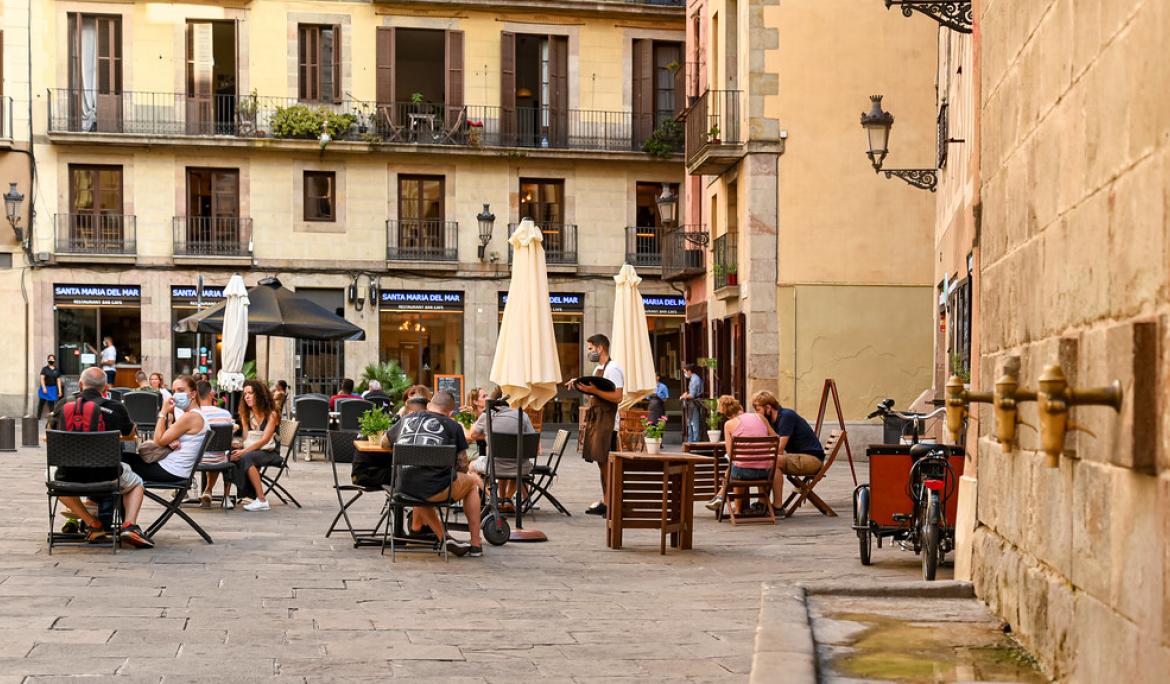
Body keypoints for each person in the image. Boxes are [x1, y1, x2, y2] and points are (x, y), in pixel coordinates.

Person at [49, 366, 153, 548]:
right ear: (106, 389)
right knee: (136, 483)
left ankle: (92, 523)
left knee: (50, 477)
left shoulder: (63, 404)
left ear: (81, 385)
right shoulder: (116, 407)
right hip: (108, 476)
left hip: (68, 476)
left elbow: (50, 433)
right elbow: (130, 434)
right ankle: (129, 525)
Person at [385, 390, 483, 557]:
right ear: (450, 412)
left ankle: (427, 532)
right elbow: (463, 464)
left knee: (421, 485)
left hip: (403, 488)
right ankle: (475, 543)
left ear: (429, 405)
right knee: (472, 482)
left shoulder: (407, 419)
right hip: (434, 488)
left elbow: (384, 443)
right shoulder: (453, 426)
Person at [569, 334, 624, 516]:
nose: (589, 352)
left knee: (607, 465)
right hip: (597, 421)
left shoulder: (613, 369)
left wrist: (594, 391)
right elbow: (594, 390)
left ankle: (612, 503)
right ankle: (607, 501)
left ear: (601, 348)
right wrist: (578, 384)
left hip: (608, 424)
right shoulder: (598, 369)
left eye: (591, 348)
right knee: (601, 464)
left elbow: (617, 397)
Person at [127, 375, 209, 491]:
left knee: (121, 461)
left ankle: (107, 505)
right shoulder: (196, 415)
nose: (176, 395)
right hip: (177, 469)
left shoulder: (190, 417)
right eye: (174, 391)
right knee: (124, 458)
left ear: (193, 394)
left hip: (171, 471)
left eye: (181, 390)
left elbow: (158, 441)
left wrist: (163, 412)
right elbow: (170, 435)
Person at [704, 395, 779, 514]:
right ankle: (723, 497)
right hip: (765, 471)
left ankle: (735, 508)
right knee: (736, 467)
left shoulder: (729, 424)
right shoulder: (760, 417)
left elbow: (730, 453)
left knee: (734, 468)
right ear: (740, 407)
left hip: (743, 473)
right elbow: (775, 438)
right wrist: (764, 452)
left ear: (726, 414)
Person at [751, 390, 825, 506]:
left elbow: (779, 449)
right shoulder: (772, 421)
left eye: (758, 410)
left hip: (812, 460)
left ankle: (777, 506)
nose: (757, 414)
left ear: (768, 407)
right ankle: (763, 503)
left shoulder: (786, 416)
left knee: (772, 461)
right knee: (763, 460)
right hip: (797, 457)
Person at [467, 387, 536, 506]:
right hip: (521, 467)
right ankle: (507, 499)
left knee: (471, 467)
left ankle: (496, 497)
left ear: (494, 401)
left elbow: (472, 434)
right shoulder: (523, 416)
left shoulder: (487, 415)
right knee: (514, 464)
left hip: (495, 466)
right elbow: (532, 440)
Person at [229, 380, 281, 512]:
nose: (246, 396)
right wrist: (238, 446)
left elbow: (264, 440)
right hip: (254, 449)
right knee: (230, 455)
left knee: (247, 458)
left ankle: (262, 500)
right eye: (244, 394)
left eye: (250, 393)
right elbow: (247, 439)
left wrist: (244, 451)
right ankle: (227, 497)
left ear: (259, 395)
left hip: (270, 451)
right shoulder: (246, 414)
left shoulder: (271, 414)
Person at [193, 381, 236, 508]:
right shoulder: (225, 414)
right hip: (217, 461)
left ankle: (182, 490)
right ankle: (208, 490)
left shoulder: (192, 415)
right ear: (211, 394)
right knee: (219, 452)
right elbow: (229, 436)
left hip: (195, 461)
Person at [680, 364, 704, 443]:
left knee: (694, 423)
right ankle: (691, 441)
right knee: (691, 422)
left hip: (693, 403)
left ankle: (694, 442)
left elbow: (692, 395)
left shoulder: (694, 379)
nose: (685, 374)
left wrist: (684, 396)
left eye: (685, 372)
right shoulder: (693, 378)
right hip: (692, 404)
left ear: (689, 371)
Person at [37, 354, 63, 419]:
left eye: (52, 359)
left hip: (53, 389)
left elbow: (58, 381)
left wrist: (60, 391)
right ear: (48, 360)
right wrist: (44, 388)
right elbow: (42, 378)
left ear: (54, 360)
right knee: (41, 403)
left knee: (51, 404)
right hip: (45, 388)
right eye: (50, 359)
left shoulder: (57, 370)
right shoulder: (44, 369)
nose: (51, 360)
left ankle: (51, 418)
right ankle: (38, 417)